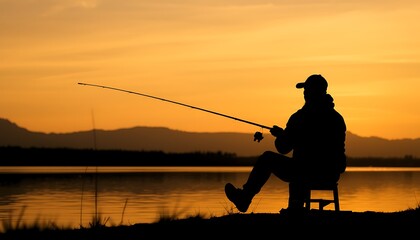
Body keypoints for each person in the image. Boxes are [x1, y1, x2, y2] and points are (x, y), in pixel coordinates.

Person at [225, 74, 347, 212]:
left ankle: (245, 198)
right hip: (331, 172)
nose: (304, 93)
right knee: (300, 165)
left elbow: (283, 148)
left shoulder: (301, 117)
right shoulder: (337, 118)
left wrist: (281, 136)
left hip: (307, 171)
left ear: (312, 92)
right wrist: (286, 135)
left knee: (268, 159)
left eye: (306, 90)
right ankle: (295, 206)